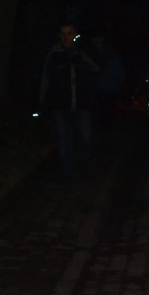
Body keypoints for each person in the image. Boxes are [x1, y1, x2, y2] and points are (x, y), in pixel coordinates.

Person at [39, 22, 101, 181]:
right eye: (63, 34)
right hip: (61, 105)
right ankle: (67, 174)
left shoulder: (84, 51)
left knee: (85, 138)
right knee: (64, 140)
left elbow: (98, 68)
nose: (66, 37)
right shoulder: (54, 54)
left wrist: (82, 57)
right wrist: (43, 100)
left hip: (82, 105)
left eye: (70, 33)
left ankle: (84, 169)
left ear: (75, 35)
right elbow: (46, 78)